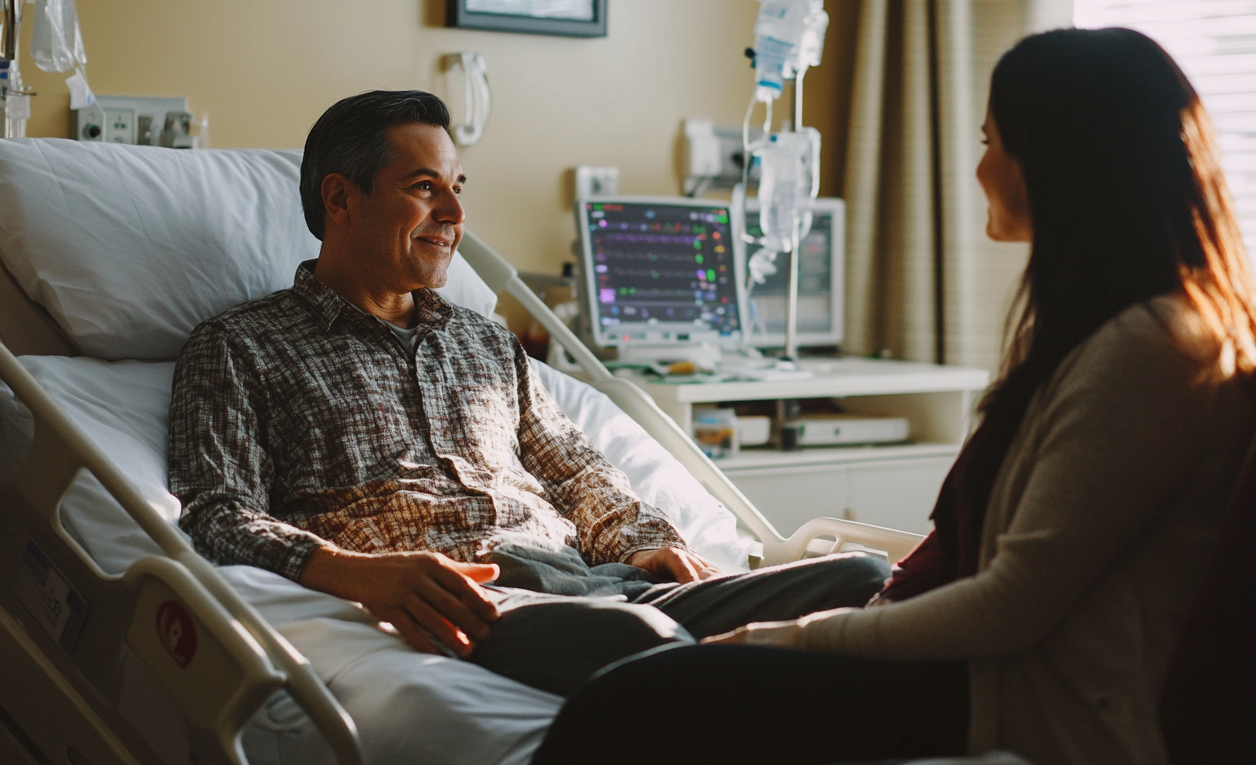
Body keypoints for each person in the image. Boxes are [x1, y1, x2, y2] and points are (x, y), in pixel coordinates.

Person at [532, 27, 1256, 765]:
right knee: (640, 696)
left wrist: (794, 636)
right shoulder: (1107, 332)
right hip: (993, 678)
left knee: (628, 706)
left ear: (1054, 162)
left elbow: (1010, 605)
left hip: (1046, 709)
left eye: (992, 144)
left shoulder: (1152, 349)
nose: (980, 170)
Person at [167, 89, 888, 698]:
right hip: (481, 602)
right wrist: (362, 577)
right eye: (425, 188)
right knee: (648, 639)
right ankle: (747, 674)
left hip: (594, 580)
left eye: (457, 188)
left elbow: (573, 467)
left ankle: (739, 664)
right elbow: (219, 513)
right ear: (340, 198)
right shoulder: (242, 345)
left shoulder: (483, 343)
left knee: (864, 578)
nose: (454, 212)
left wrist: (647, 545)